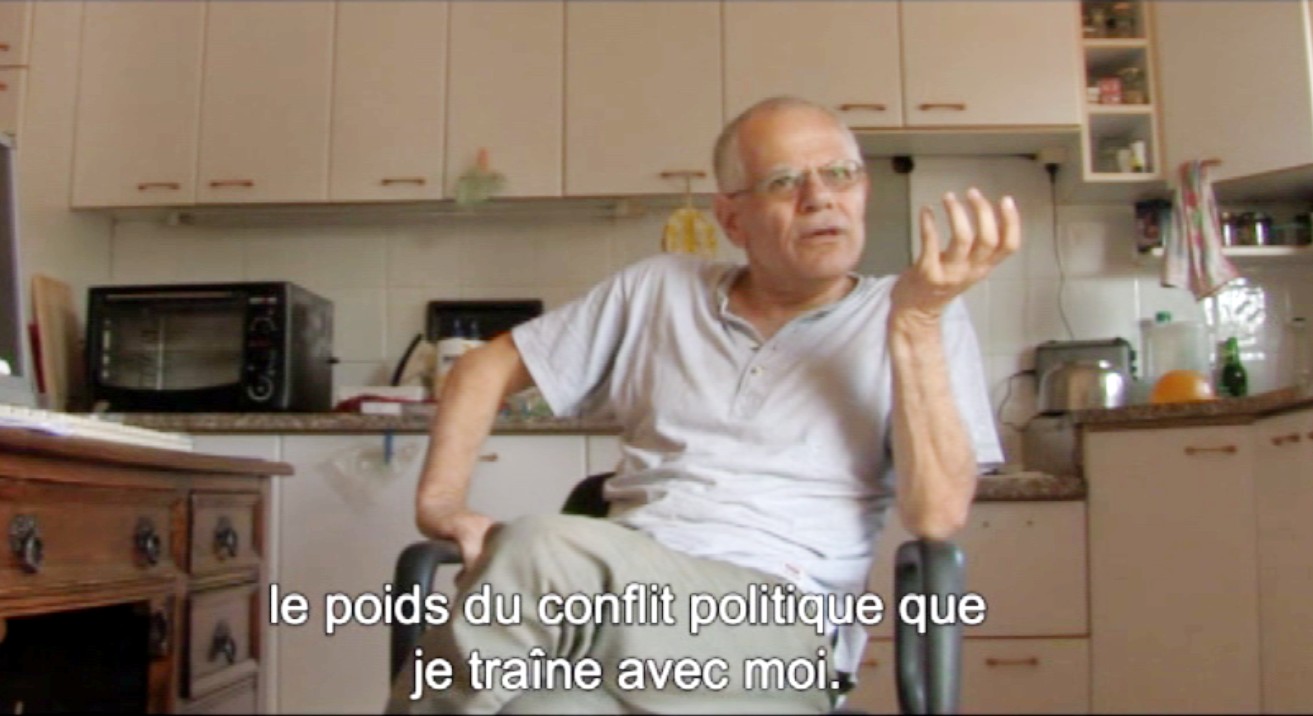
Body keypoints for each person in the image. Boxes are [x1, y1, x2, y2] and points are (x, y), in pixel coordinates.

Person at [388, 95, 1019, 714]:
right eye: (784, 181)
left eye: (840, 174)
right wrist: (441, 506)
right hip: (626, 602)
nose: (820, 197)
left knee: (535, 549)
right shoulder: (658, 289)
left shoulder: (919, 314)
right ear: (732, 219)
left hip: (779, 628)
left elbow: (938, 515)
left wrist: (915, 322)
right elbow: (483, 366)